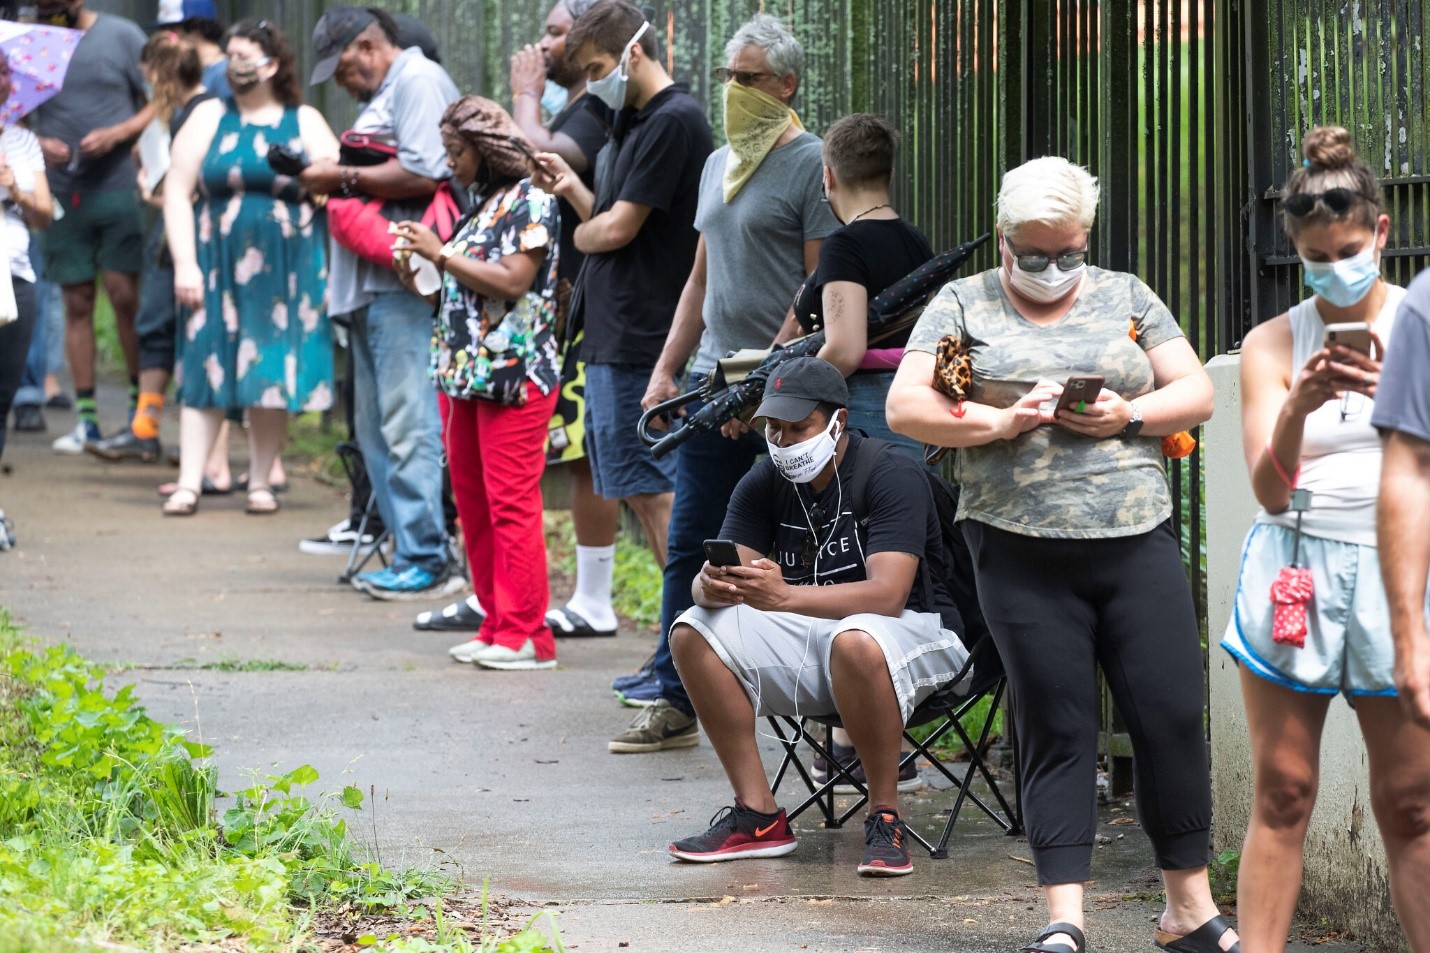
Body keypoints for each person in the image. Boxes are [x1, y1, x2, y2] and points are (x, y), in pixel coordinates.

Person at [886, 156, 1229, 953]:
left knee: (1173, 711)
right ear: (1004, 241)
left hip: (1135, 530)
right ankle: (1064, 915)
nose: (1052, 269)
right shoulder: (962, 304)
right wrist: (998, 424)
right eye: (1034, 254)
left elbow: (1197, 391)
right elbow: (909, 406)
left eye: (1068, 252)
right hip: (1017, 544)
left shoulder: (1127, 296)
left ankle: (1189, 907)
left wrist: (1128, 412)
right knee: (1058, 722)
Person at [1220, 126, 1430, 953]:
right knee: (1282, 790)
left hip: (1400, 573)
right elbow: (1269, 490)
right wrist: (1299, 405)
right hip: (1296, 566)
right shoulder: (1276, 344)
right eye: (1314, 258)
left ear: (1380, 232)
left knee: (1413, 802)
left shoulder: (1421, 323)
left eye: (1347, 249)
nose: (1333, 270)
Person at [609, 12, 837, 752]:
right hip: (712, 387)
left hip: (785, 395)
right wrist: (667, 369)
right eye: (728, 78)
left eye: (749, 78)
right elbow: (699, 279)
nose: (735, 90)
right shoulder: (717, 163)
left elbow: (818, 288)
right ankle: (678, 697)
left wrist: (764, 386)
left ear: (786, 84)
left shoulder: (810, 163)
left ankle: (838, 715)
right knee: (692, 544)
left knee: (811, 546)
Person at [664, 357, 968, 876]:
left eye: (796, 427)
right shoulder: (764, 481)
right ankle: (757, 814)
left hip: (916, 634)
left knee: (856, 636)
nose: (782, 441)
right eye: (773, 429)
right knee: (693, 628)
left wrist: (784, 596)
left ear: (838, 422)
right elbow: (724, 576)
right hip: (819, 636)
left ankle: (885, 815)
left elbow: (889, 595)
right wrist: (710, 585)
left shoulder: (890, 471)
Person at [531, 0, 713, 605]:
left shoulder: (672, 120)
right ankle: (673, 651)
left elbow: (614, 231)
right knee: (638, 489)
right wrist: (576, 192)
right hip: (615, 332)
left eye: (598, 67)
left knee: (658, 493)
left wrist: (582, 233)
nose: (590, 83)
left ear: (633, 52)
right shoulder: (629, 120)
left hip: (645, 334)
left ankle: (689, 652)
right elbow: (606, 217)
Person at [391, 96, 561, 670]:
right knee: (475, 505)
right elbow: (457, 296)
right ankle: (495, 624)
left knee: (511, 504)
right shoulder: (483, 204)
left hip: (515, 378)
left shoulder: (532, 201)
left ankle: (529, 635)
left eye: (456, 153)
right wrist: (418, 270)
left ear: (486, 151)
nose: (451, 165)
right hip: (466, 379)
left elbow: (513, 281)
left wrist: (441, 254)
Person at [302, 7, 463, 601]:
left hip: (401, 288)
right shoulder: (394, 89)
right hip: (370, 287)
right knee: (375, 428)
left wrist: (337, 178)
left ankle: (425, 556)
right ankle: (407, 551)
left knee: (407, 421)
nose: (341, 81)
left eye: (341, 66)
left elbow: (427, 169)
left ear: (368, 45)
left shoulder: (417, 81)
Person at [161, 18, 338, 517]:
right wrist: (184, 265)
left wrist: (311, 180)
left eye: (245, 56)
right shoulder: (209, 116)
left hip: (286, 265)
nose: (235, 66)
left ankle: (261, 480)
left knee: (270, 366)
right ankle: (189, 483)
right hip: (213, 259)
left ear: (272, 65)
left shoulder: (302, 119)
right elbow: (176, 191)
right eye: (230, 56)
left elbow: (337, 180)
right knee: (204, 359)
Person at [496, 0, 624, 641]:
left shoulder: (597, 108)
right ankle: (588, 595)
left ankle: (595, 598)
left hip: (595, 300)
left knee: (590, 452)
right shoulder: (580, 104)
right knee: (582, 448)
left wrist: (523, 96)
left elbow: (536, 157)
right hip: (570, 300)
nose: (542, 45)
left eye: (555, 32)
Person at [87, 31, 214, 464]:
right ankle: (146, 427)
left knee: (185, 330)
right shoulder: (180, 115)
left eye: (148, 79)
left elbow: (199, 190)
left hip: (190, 239)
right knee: (155, 324)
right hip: (168, 235)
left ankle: (203, 448)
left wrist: (155, 195)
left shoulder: (202, 114)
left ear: (160, 75)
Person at [32, 0, 149, 452]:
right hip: (61, 189)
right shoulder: (33, 44)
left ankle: (142, 412)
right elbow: (14, 109)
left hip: (117, 186)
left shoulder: (120, 36)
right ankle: (87, 420)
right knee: (76, 300)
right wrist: (38, 143)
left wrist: (119, 134)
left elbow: (158, 99)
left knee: (124, 294)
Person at [0, 52, 56, 548]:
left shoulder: (21, 142)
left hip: (14, 282)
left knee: (1, 399)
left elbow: (43, 215)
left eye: (3, 71)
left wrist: (13, 185)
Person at [154, 0, 230, 99]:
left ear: (195, 27)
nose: (167, 36)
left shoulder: (223, 73)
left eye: (172, 28)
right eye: (164, 29)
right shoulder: (183, 69)